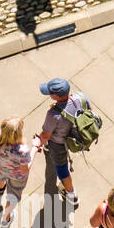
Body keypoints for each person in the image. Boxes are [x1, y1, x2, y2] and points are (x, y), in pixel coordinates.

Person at [34, 77, 91, 207]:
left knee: (62, 170)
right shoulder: (81, 96)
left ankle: (71, 195)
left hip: (58, 144)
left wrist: (37, 143)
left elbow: (45, 135)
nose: (48, 94)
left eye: (50, 93)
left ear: (56, 96)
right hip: (74, 136)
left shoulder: (53, 114)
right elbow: (89, 111)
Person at [0, 117, 33, 228]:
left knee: (1, 178)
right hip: (16, 176)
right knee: (12, 196)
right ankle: (5, 221)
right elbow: (24, 169)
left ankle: (0, 188)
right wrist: (35, 148)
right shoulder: (22, 150)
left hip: (0, 168)